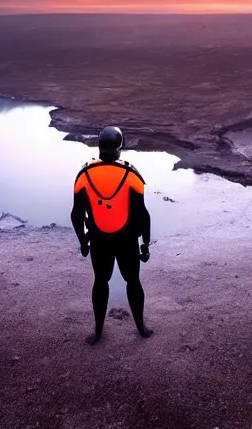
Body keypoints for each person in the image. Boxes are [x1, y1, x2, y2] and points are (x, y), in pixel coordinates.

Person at [71, 126, 154, 345]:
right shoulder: (131, 174)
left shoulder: (84, 174)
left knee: (100, 282)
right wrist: (145, 243)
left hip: (99, 240)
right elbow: (143, 214)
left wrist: (83, 241)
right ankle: (141, 328)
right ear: (121, 146)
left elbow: (76, 214)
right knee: (133, 282)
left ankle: (97, 332)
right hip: (127, 240)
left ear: (99, 145)